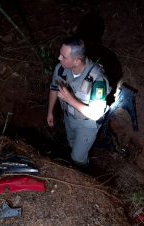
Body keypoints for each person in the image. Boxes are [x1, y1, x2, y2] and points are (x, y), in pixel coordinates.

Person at [47, 36, 110, 168]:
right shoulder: (60, 69)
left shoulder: (97, 80)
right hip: (68, 118)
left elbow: (95, 114)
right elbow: (53, 89)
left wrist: (70, 99)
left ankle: (83, 175)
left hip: (87, 125)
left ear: (76, 61)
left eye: (63, 57)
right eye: (60, 54)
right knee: (71, 143)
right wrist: (50, 112)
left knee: (77, 159)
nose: (59, 58)